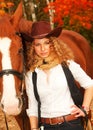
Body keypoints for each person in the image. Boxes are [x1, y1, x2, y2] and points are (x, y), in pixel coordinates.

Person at [25, 21, 93, 130]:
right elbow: (32, 106)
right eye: (38, 44)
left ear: (53, 44)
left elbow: (90, 85)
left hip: (71, 124)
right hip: (46, 126)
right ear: (33, 47)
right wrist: (33, 128)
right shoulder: (31, 75)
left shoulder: (67, 65)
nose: (43, 49)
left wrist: (84, 109)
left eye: (46, 43)